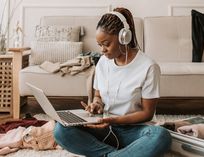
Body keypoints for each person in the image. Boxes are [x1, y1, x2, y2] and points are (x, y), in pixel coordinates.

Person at [54, 7, 172, 157]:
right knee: (61, 130)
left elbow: (147, 113)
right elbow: (98, 96)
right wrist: (96, 104)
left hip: (134, 131)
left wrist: (115, 121)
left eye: (106, 44)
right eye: (99, 45)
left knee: (160, 136)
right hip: (104, 128)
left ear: (124, 38)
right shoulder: (103, 62)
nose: (102, 50)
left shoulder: (148, 66)